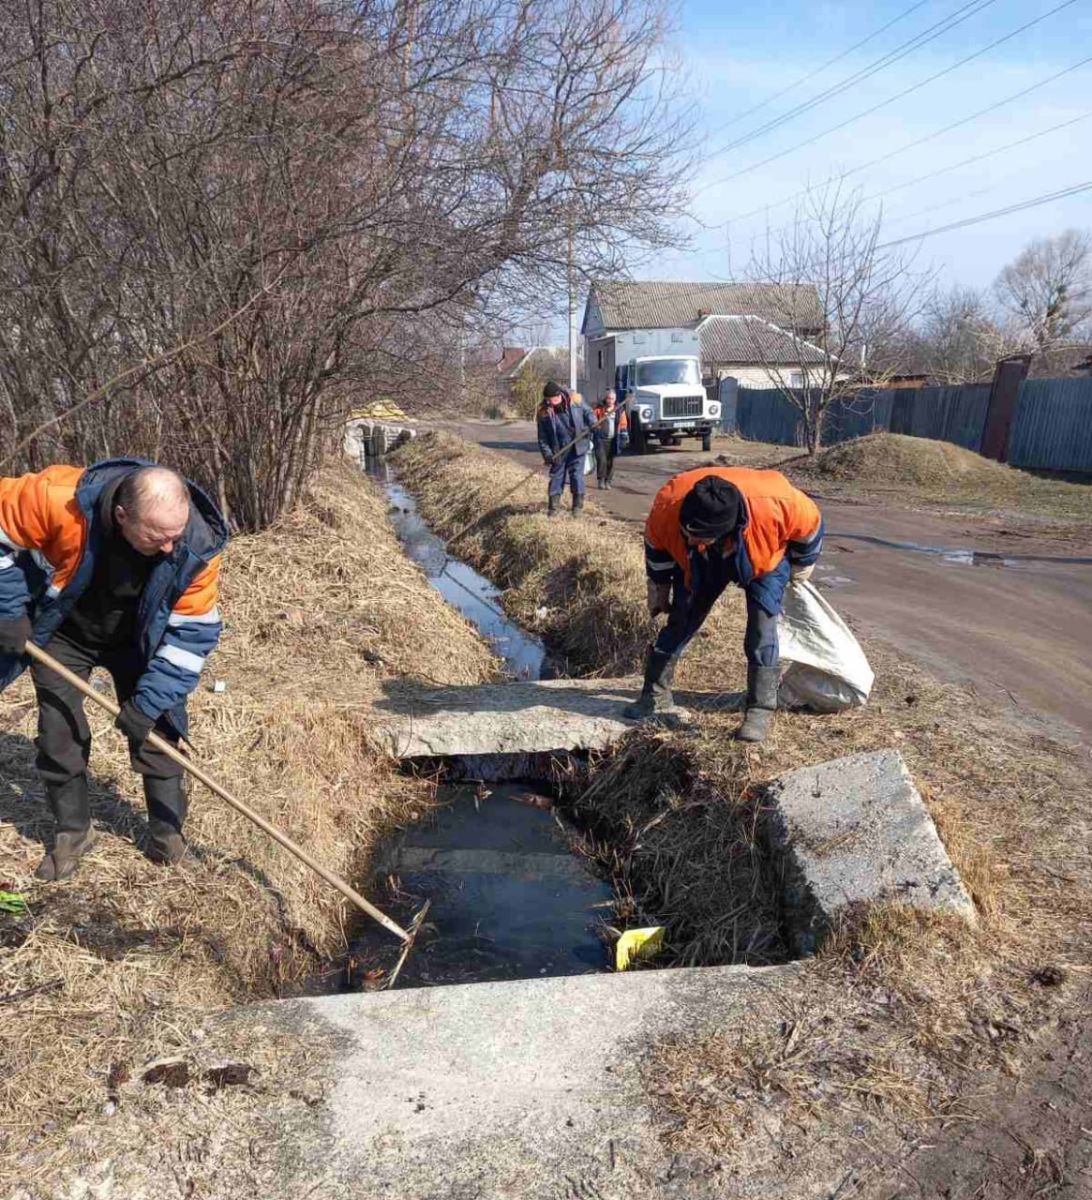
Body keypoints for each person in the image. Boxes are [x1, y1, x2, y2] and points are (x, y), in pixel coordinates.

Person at [0, 459, 228, 879]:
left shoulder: (195, 546)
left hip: (142, 639)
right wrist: (10, 611)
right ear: (122, 515)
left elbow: (190, 637)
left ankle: (167, 837)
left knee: (157, 732)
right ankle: (73, 832)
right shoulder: (58, 499)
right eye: (157, 536)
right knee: (58, 730)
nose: (167, 548)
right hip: (66, 631)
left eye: (174, 536)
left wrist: (148, 703)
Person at [623, 466, 823, 743]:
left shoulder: (780, 502)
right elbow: (656, 550)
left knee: (761, 631)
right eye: (687, 532)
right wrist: (659, 586)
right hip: (700, 561)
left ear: (725, 528)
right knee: (681, 620)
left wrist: (801, 566)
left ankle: (760, 708)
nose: (690, 538)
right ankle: (654, 696)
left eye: (699, 535)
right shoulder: (668, 506)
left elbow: (811, 530)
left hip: (764, 558)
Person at [537, 381, 593, 518]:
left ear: (559, 395)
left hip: (577, 444)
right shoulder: (543, 412)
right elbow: (542, 438)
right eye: (548, 400)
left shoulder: (575, 398)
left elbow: (588, 412)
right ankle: (553, 508)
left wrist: (593, 422)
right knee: (557, 477)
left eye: (553, 400)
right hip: (558, 450)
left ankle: (577, 507)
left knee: (576, 476)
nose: (551, 403)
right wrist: (548, 455)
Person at [592, 390, 627, 490]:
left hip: (614, 440)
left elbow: (623, 424)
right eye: (608, 398)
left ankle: (608, 481)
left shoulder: (619, 410)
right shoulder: (599, 409)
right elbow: (592, 420)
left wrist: (624, 437)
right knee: (601, 460)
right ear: (606, 398)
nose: (610, 401)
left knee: (611, 462)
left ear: (615, 399)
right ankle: (601, 481)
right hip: (600, 440)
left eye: (612, 399)